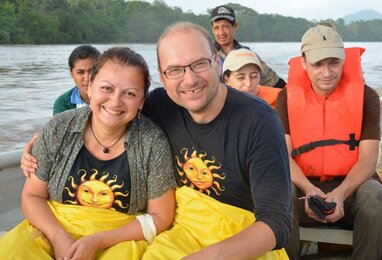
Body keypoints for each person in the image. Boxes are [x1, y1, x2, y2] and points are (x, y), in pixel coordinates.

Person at [21, 22, 291, 259]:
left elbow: (276, 223)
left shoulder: (260, 121)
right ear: (162, 77)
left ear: (218, 62)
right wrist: (40, 145)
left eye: (199, 63)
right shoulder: (160, 105)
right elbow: (110, 114)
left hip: (242, 242)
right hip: (181, 232)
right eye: (175, 70)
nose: (189, 79)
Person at [2, 47, 176, 259]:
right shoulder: (59, 128)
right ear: (90, 87)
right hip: (53, 229)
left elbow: (160, 216)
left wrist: (97, 241)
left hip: (118, 239)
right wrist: (58, 237)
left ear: (141, 102)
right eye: (107, 88)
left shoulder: (152, 142)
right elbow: (32, 195)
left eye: (130, 93)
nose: (115, 101)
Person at [274, 23, 382, 259]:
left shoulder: (367, 97)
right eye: (318, 64)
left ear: (344, 60)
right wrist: (309, 189)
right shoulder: (286, 98)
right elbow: (282, 157)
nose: (327, 73)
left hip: (352, 187)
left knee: (376, 196)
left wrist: (340, 194)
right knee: (278, 190)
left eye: (334, 62)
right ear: (304, 62)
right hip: (304, 187)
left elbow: (368, 159)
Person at [210, 5, 286, 88]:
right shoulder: (207, 54)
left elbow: (273, 82)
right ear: (212, 29)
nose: (221, 32)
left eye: (225, 27)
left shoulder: (248, 54)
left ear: (235, 26)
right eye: (217, 28)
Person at [53, 44, 101, 115]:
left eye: (93, 71)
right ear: (71, 73)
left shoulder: (113, 97)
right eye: (80, 72)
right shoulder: (63, 103)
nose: (87, 78)